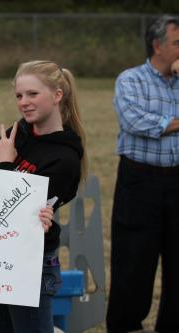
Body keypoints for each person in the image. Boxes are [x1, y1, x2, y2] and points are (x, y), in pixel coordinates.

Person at [0, 60, 86, 333]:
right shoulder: (14, 136)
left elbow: (16, 210)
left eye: (32, 94)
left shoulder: (65, 157)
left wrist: (5, 165)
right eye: (19, 96)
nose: (24, 102)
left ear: (57, 96)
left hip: (33, 263)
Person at [106, 15, 179, 333]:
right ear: (158, 45)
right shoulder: (130, 80)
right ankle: (126, 326)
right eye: (178, 43)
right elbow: (138, 123)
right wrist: (167, 123)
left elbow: (159, 123)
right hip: (140, 181)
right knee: (134, 259)